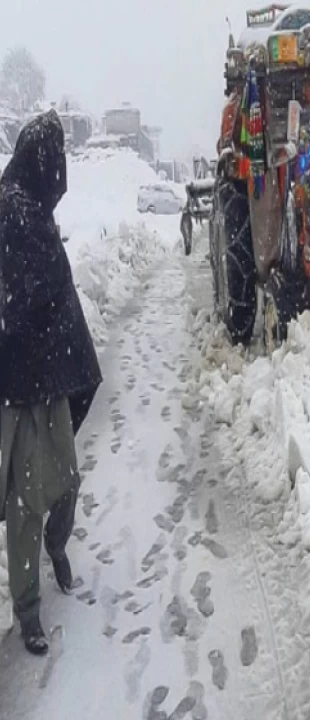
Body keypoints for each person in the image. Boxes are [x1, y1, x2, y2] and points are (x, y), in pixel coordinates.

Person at [0, 110, 102, 655]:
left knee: (64, 478)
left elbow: (53, 292)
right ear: (42, 164)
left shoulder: (30, 208)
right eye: (56, 164)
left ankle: (56, 546)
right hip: (17, 384)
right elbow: (24, 296)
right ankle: (28, 608)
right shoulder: (11, 212)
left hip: (50, 374)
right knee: (22, 501)